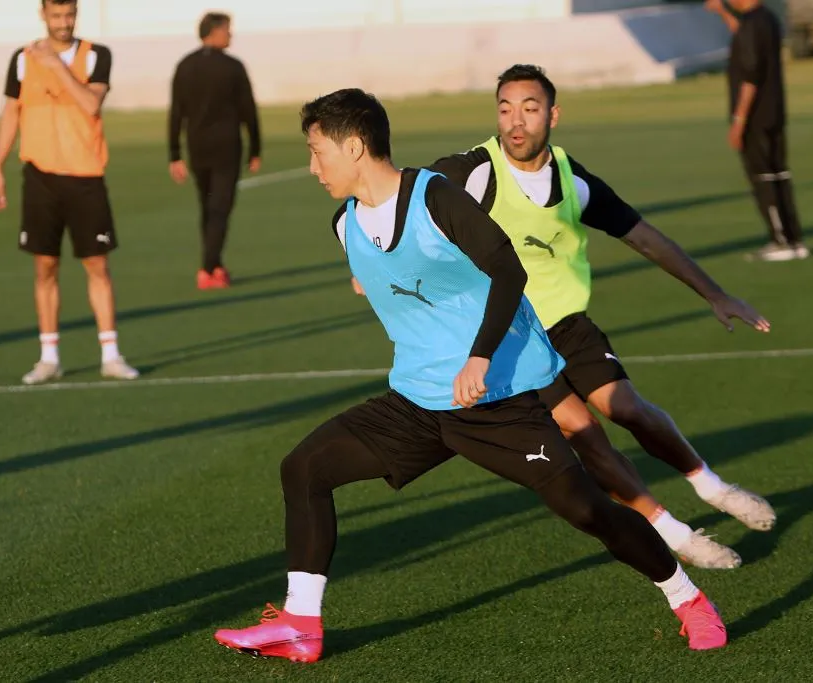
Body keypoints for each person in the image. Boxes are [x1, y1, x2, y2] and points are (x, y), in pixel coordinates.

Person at [213, 88, 727, 664]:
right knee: (304, 467)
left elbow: (507, 270)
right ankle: (299, 624)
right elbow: (389, 273)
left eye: (317, 151)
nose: (312, 167)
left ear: (355, 146)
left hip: (496, 401)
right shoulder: (345, 223)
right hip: (418, 400)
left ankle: (686, 598)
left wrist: (479, 356)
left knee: (590, 510)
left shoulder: (436, 198)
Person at [425, 64, 775, 570]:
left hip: (567, 325)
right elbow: (405, 198)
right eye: (505, 109)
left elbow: (643, 236)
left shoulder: (572, 178)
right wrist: (368, 259)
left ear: (553, 114)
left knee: (627, 408)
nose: (516, 122)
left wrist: (715, 294)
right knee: (583, 431)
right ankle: (676, 535)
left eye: (530, 108)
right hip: (511, 338)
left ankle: (715, 488)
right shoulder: (471, 171)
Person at [0, 0, 138, 385]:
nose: (63, 23)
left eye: (69, 15)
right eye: (56, 16)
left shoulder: (95, 56)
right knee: (45, 267)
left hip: (85, 177)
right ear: (43, 15)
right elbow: (11, 113)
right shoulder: (22, 59)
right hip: (40, 177)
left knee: (97, 266)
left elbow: (90, 103)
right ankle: (48, 356)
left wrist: (58, 66)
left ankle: (110, 353)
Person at [704, 0, 809, 262]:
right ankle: (794, 240)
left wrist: (739, 121)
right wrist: (722, 13)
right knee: (779, 176)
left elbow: (750, 75)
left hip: (756, 117)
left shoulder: (753, 23)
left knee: (763, 179)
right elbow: (744, 38)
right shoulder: (766, 19)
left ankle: (780, 241)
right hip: (774, 112)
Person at [168, 11, 262, 289]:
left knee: (207, 207)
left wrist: (174, 153)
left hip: (197, 148)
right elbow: (248, 110)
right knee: (220, 208)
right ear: (215, 31)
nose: (230, 35)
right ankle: (208, 268)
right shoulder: (233, 67)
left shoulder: (185, 65)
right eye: (227, 30)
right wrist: (255, 148)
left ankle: (214, 263)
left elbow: (176, 113)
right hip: (226, 147)